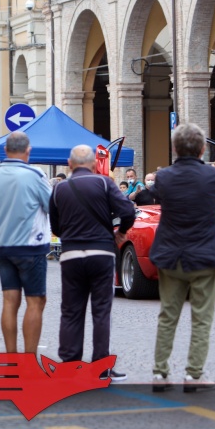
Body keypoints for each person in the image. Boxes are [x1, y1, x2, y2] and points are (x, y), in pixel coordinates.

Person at [149, 123, 215, 393]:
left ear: (174, 148)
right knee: (201, 318)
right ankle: (193, 375)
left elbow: (153, 191)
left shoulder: (163, 177)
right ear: (202, 149)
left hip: (171, 254)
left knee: (168, 315)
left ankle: (160, 373)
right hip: (204, 255)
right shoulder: (212, 177)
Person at [49, 145, 136, 381]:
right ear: (95, 164)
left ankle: (69, 366)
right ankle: (101, 367)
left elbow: (55, 226)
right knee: (101, 312)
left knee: (71, 311)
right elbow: (128, 210)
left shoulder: (59, 189)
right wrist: (121, 231)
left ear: (70, 164)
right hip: (102, 253)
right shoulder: (105, 183)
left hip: (71, 255)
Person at [0, 131, 52, 354]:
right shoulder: (35, 175)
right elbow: (51, 206)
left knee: (10, 301)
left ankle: (12, 358)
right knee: (35, 301)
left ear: (5, 150)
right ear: (28, 151)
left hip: (1, 245)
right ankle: (28, 361)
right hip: (31, 246)